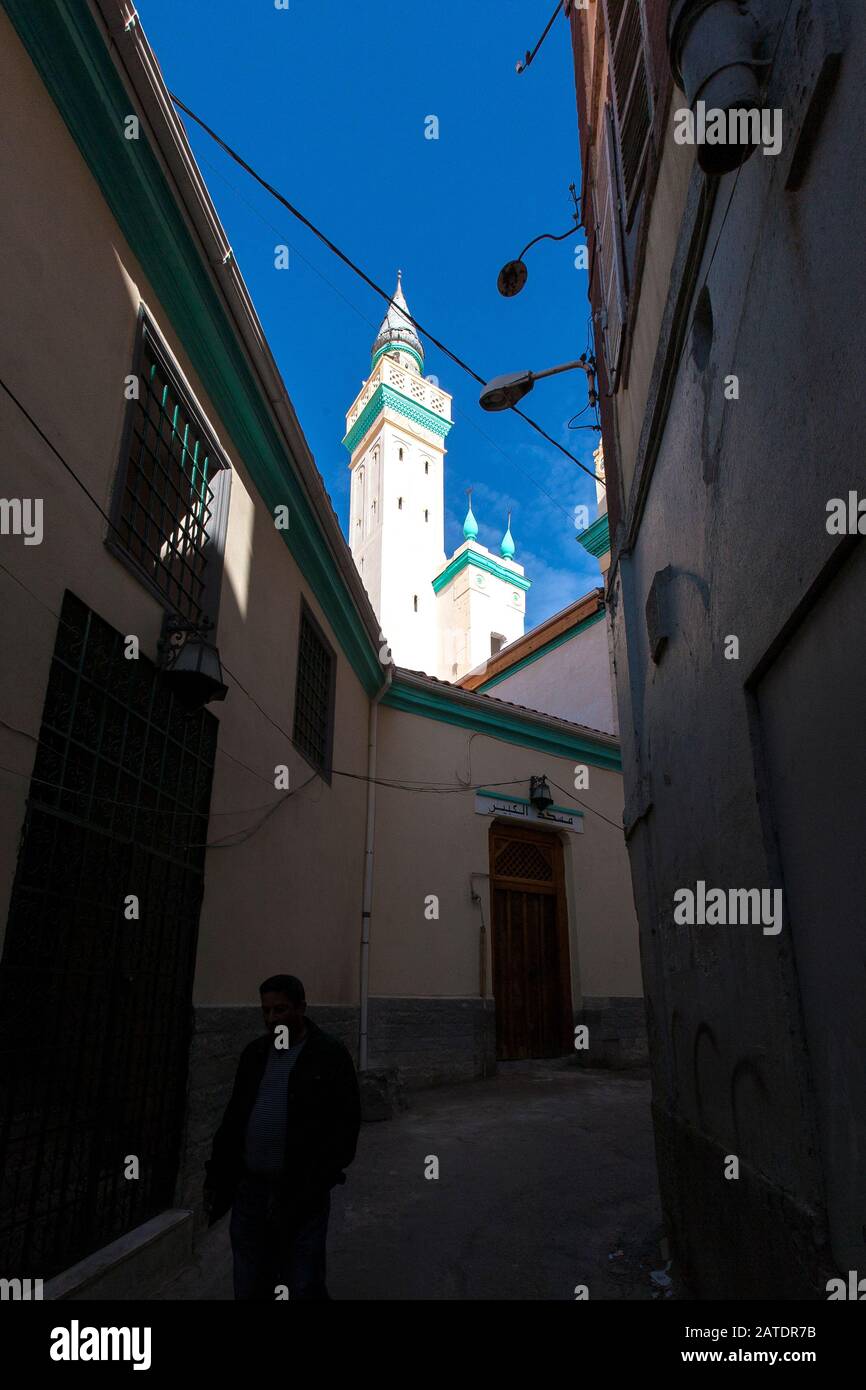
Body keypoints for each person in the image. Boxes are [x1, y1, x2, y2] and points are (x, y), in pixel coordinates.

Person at [203, 974, 361, 1300]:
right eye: (266, 1011)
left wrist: (320, 1177)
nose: (272, 1019)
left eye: (280, 1010)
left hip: (302, 1192)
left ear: (301, 1007)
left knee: (302, 1280)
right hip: (251, 1191)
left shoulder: (328, 1055)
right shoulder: (255, 1055)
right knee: (250, 1279)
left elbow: (345, 1124)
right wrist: (218, 1173)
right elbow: (235, 1117)